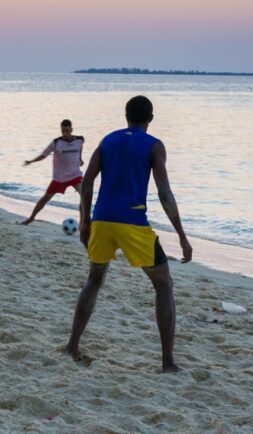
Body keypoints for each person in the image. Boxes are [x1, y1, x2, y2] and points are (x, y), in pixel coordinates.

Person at [65, 96, 193, 373]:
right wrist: (182, 235)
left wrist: (85, 221)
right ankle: (168, 362)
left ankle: (72, 346)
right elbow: (164, 193)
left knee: (94, 280)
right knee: (163, 284)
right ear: (151, 118)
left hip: (101, 220)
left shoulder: (107, 140)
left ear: (126, 116)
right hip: (133, 223)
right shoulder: (154, 145)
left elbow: (87, 185)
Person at [19, 119, 85, 225]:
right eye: (63, 131)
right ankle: (31, 218)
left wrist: (80, 158)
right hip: (60, 178)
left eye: (67, 131)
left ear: (71, 130)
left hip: (75, 175)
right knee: (45, 198)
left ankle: (83, 223)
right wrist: (31, 161)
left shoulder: (80, 140)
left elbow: (80, 148)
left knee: (84, 196)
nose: (65, 133)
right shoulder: (56, 143)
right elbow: (43, 155)